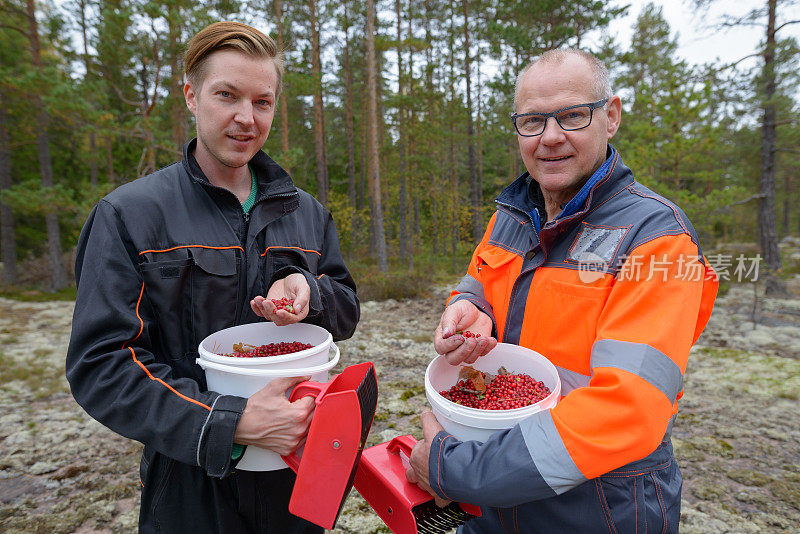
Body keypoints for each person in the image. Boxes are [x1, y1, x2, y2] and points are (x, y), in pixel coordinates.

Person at [405, 49, 718, 533]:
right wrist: (469, 306)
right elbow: (479, 282)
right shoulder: (511, 214)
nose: (550, 137)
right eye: (531, 121)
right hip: (494, 497)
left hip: (598, 507)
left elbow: (627, 410)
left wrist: (457, 471)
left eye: (572, 115)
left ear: (610, 116)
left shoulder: (657, 239)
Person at [66, 21, 359, 534]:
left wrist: (310, 292)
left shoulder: (306, 213)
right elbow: (101, 364)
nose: (246, 118)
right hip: (188, 479)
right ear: (191, 96)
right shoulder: (130, 214)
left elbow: (347, 311)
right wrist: (227, 422)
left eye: (263, 102)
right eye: (227, 95)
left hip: (299, 470)